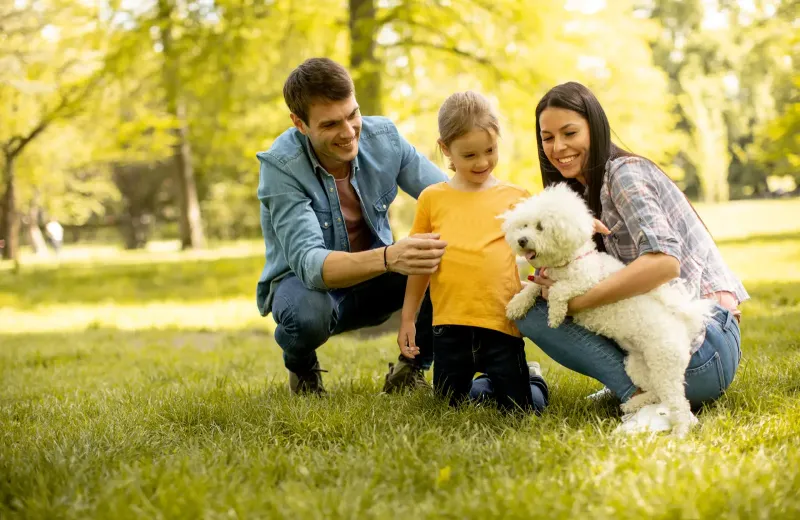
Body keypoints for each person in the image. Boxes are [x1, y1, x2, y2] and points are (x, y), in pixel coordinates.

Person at [514, 81, 748, 429]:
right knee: (529, 298)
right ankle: (637, 388)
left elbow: (665, 263)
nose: (558, 147)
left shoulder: (624, 174)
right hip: (675, 345)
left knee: (535, 311)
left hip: (698, 350)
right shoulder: (583, 194)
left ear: (595, 127)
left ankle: (641, 396)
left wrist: (578, 301)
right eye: (547, 137)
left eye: (570, 132)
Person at [256, 57, 449, 395]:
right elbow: (311, 265)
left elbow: (449, 198)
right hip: (309, 289)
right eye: (330, 124)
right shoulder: (281, 166)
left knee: (442, 259)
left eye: (352, 115)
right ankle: (302, 368)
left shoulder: (384, 139)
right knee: (306, 315)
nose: (348, 133)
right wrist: (390, 258)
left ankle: (412, 368)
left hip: (376, 282)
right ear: (299, 124)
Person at [397, 91, 549, 414]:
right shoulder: (431, 199)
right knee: (449, 405)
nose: (482, 162)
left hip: (500, 325)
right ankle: (491, 382)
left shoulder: (516, 197)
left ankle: (532, 380)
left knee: (523, 409)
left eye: (490, 151)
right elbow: (420, 265)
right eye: (469, 155)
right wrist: (408, 317)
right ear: (445, 149)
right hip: (450, 327)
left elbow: (541, 247)